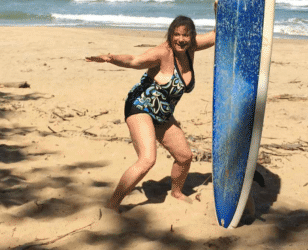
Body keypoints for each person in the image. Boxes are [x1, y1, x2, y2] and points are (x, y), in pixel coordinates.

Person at [86, 15, 215, 211]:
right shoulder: (162, 54)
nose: (181, 39)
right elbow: (134, 60)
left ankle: (177, 192)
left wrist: (220, 11)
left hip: (162, 113)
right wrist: (111, 58)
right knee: (147, 159)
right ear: (170, 35)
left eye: (185, 35)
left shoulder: (191, 48)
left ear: (192, 37)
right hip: (140, 107)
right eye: (176, 34)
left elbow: (217, 35)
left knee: (184, 156)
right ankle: (112, 205)